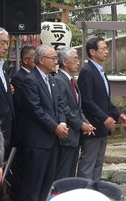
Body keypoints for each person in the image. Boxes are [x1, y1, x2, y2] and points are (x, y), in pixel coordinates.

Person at [19, 44, 69, 201]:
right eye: (53, 58)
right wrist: (54, 127)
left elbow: (60, 105)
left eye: (56, 58)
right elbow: (36, 110)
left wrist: (62, 123)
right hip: (37, 142)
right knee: (33, 186)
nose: (56, 61)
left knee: (47, 185)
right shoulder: (30, 80)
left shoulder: (51, 80)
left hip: (52, 141)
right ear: (41, 60)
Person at [77, 37, 126, 181]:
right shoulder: (87, 71)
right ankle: (84, 193)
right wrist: (104, 118)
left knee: (98, 163)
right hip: (92, 124)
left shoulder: (100, 71)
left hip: (102, 125)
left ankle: (95, 192)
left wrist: (118, 114)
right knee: (88, 163)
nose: (106, 51)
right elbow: (87, 100)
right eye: (103, 48)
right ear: (92, 52)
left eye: (107, 48)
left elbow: (104, 99)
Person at [54, 47, 95, 180]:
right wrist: (80, 124)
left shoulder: (72, 81)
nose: (78, 62)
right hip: (67, 134)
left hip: (75, 135)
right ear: (64, 62)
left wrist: (86, 123)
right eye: (75, 59)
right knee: (63, 174)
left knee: (71, 173)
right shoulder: (59, 80)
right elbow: (64, 108)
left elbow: (77, 108)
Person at [10, 45, 36, 201]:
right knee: (21, 167)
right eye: (34, 57)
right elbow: (23, 105)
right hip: (23, 130)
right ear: (25, 60)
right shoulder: (19, 78)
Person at [0, 27, 13, 161]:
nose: (5, 47)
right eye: (1, 43)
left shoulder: (3, 66)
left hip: (6, 128)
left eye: (6, 43)